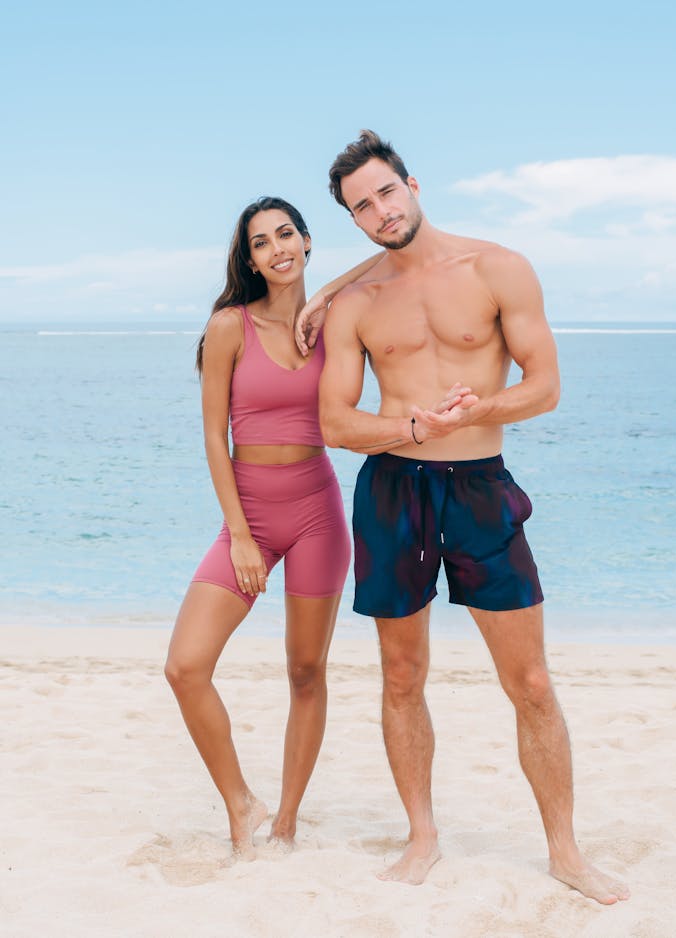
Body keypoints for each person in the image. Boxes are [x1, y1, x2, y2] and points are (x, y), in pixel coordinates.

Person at [296, 132, 630, 904]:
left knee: (533, 681)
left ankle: (565, 852)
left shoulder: (498, 268)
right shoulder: (356, 304)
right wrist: (417, 429)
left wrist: (478, 410)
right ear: (353, 221)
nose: (380, 211)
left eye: (385, 192)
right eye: (361, 206)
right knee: (402, 675)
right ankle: (422, 836)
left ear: (412, 184)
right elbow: (336, 425)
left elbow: (545, 386)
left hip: (480, 487)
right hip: (392, 490)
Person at [165, 197, 378, 857]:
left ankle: (285, 820)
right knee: (185, 667)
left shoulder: (337, 324)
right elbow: (212, 435)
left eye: (287, 235)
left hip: (318, 510)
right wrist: (239, 533)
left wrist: (330, 293)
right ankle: (241, 802)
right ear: (249, 259)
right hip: (251, 510)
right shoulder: (230, 325)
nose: (277, 249)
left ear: (308, 243)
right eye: (261, 242)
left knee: (307, 670)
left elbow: (395, 258)